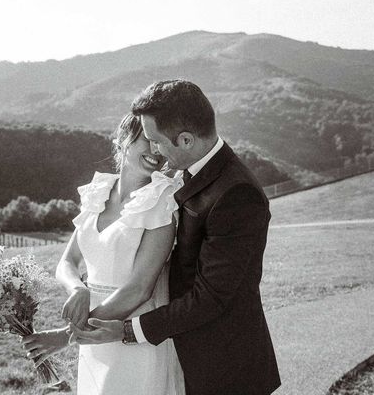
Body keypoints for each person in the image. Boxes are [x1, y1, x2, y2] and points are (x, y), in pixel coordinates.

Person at [70, 80, 281, 395]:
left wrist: (127, 330)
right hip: (184, 354)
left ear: (185, 139)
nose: (154, 151)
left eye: (156, 141)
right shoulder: (190, 171)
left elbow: (210, 298)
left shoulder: (237, 193)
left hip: (224, 368)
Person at [22, 113, 186, 394]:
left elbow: (139, 289)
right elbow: (68, 261)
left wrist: (68, 336)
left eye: (159, 142)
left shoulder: (162, 201)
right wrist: (77, 289)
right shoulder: (97, 193)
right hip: (93, 336)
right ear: (122, 141)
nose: (155, 150)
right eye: (147, 140)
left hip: (130, 334)